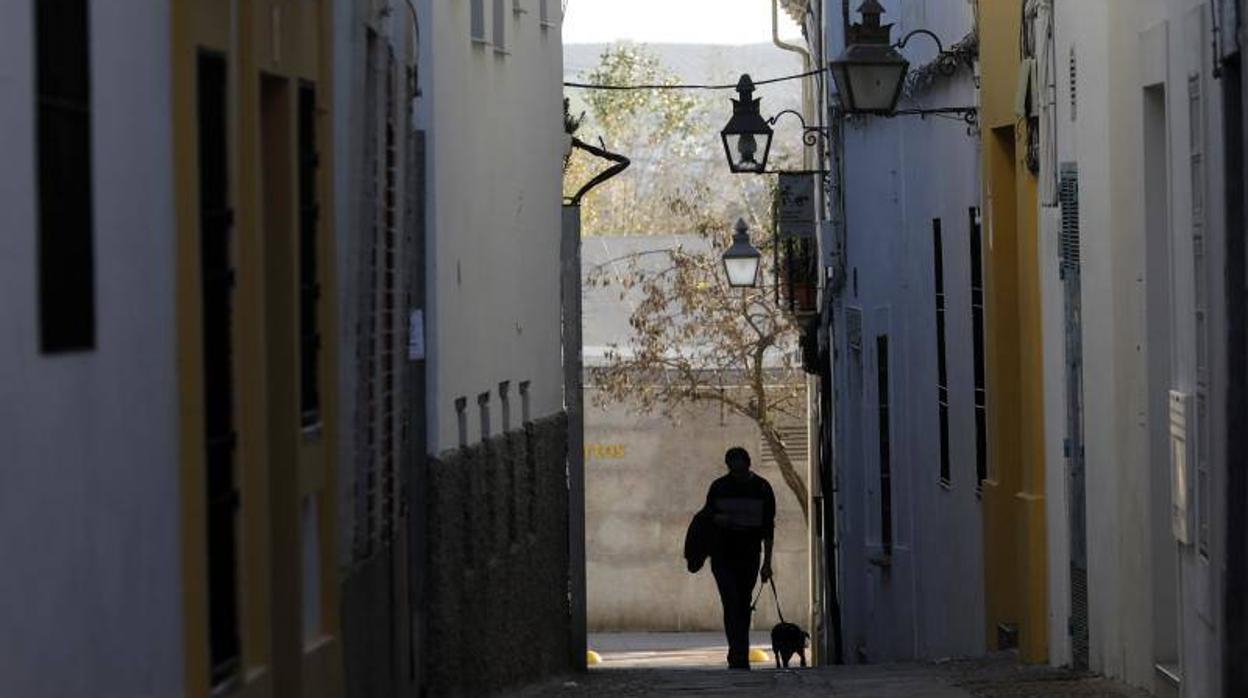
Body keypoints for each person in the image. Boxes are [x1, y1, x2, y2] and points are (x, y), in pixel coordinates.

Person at [702, 446, 776, 670]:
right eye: (733, 469)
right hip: (722, 556)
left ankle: (739, 652)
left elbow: (768, 529)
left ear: (748, 464)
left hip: (749, 555)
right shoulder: (719, 487)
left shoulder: (762, 488)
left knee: (742, 604)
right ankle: (737, 653)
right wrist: (717, 519)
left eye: (740, 469)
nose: (737, 473)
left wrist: (767, 564)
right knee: (731, 602)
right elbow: (706, 517)